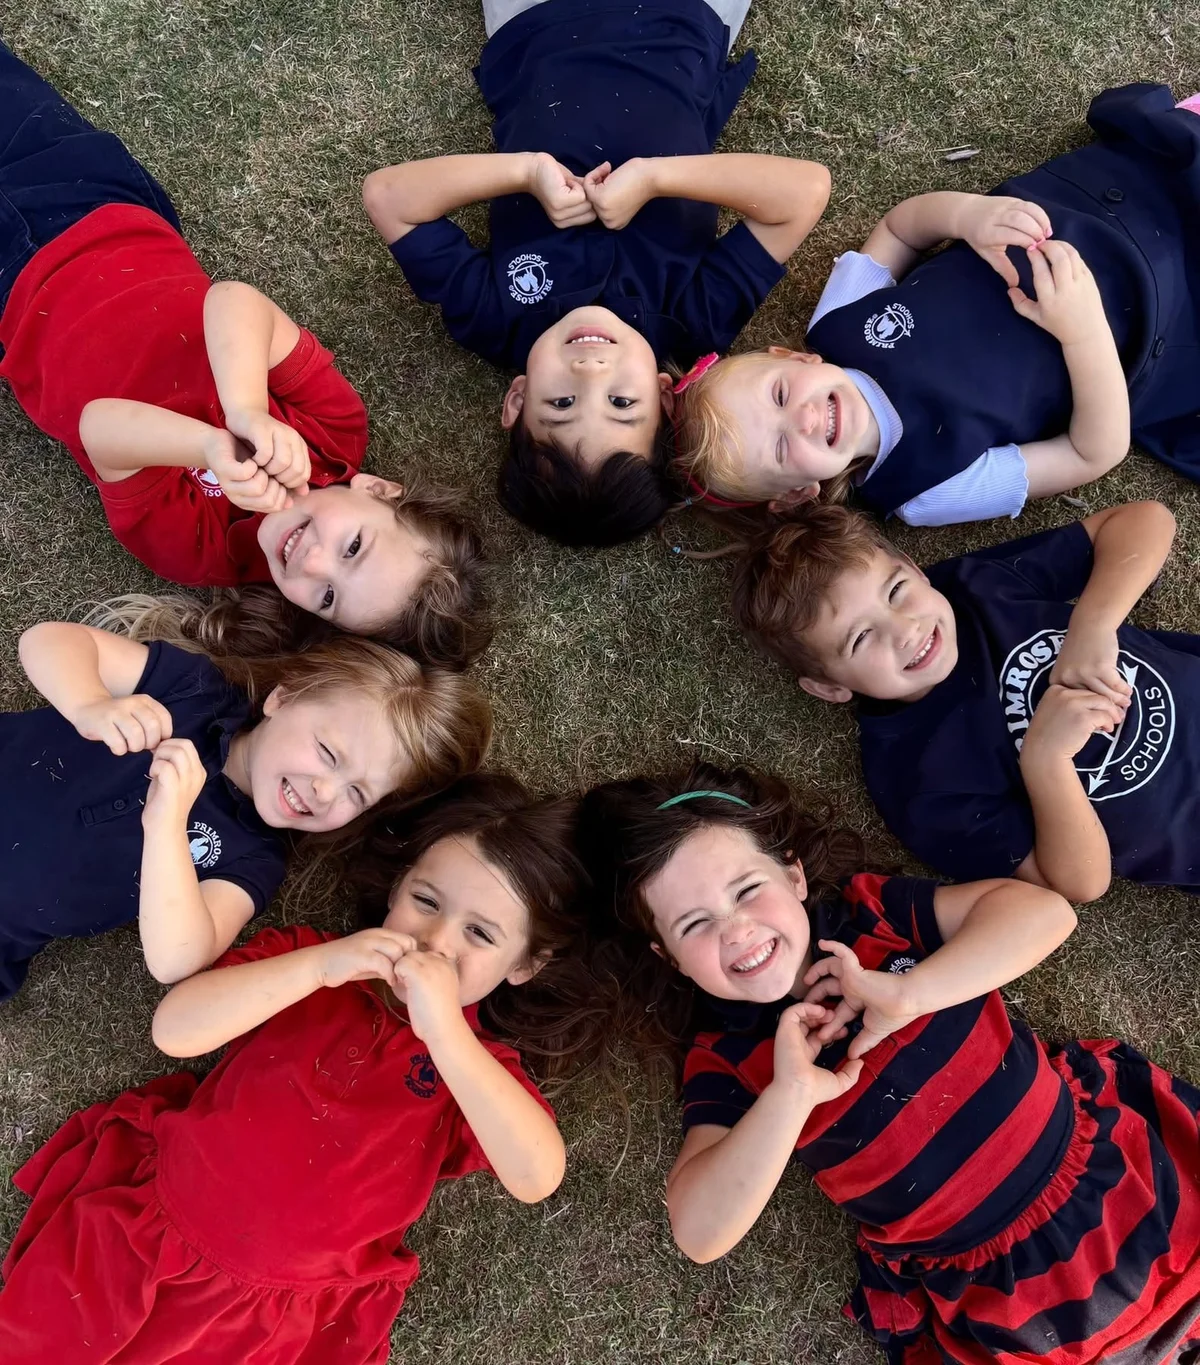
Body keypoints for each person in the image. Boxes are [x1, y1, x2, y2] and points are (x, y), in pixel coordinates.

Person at [578, 761, 1200, 1365]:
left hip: (1110, 1174)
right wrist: (790, 1094)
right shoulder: (728, 1058)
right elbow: (698, 1230)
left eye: (746, 890)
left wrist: (912, 991)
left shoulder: (873, 918)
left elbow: (1046, 913)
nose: (736, 929)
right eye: (695, 925)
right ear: (671, 958)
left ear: (794, 878)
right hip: (1002, 1286)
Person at [0, 774, 597, 1362]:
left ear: (525, 966)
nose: (436, 941)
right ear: (395, 891)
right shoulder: (308, 960)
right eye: (426, 901)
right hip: (144, 1231)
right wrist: (318, 968)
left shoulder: (477, 1069)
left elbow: (537, 1175)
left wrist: (446, 1035)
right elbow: (175, 1030)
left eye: (480, 934)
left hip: (269, 1315)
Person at [0, 40, 489, 669]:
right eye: (353, 546)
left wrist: (209, 449)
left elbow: (99, 427)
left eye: (329, 597)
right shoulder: (335, 432)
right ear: (377, 490)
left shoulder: (203, 553)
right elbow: (232, 301)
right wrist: (246, 412)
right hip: (98, 205)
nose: (311, 563)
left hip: (13, 296)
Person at [363, 0, 830, 547]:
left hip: (536, 23)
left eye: (560, 405)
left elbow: (388, 197)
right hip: (681, 22)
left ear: (517, 399)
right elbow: (804, 194)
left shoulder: (494, 319)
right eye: (622, 404)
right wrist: (655, 179)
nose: (590, 371)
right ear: (663, 396)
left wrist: (526, 171)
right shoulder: (693, 320)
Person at [672, 84, 1200, 526]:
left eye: (781, 395)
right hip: (1155, 315)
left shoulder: (835, 325)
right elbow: (1093, 453)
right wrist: (1083, 332)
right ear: (798, 494)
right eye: (783, 448)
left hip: (1086, 205)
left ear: (796, 360)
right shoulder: (923, 492)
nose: (805, 418)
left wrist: (967, 217)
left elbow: (900, 229)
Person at [730, 499, 1200, 902]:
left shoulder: (974, 590)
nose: (905, 629)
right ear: (831, 687)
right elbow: (1078, 882)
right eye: (860, 639)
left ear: (915, 569)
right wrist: (1045, 760)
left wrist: (1093, 625)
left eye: (896, 590)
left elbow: (1146, 520)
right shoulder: (916, 782)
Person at [0, 617, 492, 999]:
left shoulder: (253, 856)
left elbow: (176, 960)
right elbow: (49, 642)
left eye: (357, 794)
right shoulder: (195, 693)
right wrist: (90, 704)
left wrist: (168, 829)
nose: (325, 791)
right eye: (328, 754)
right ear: (283, 697)